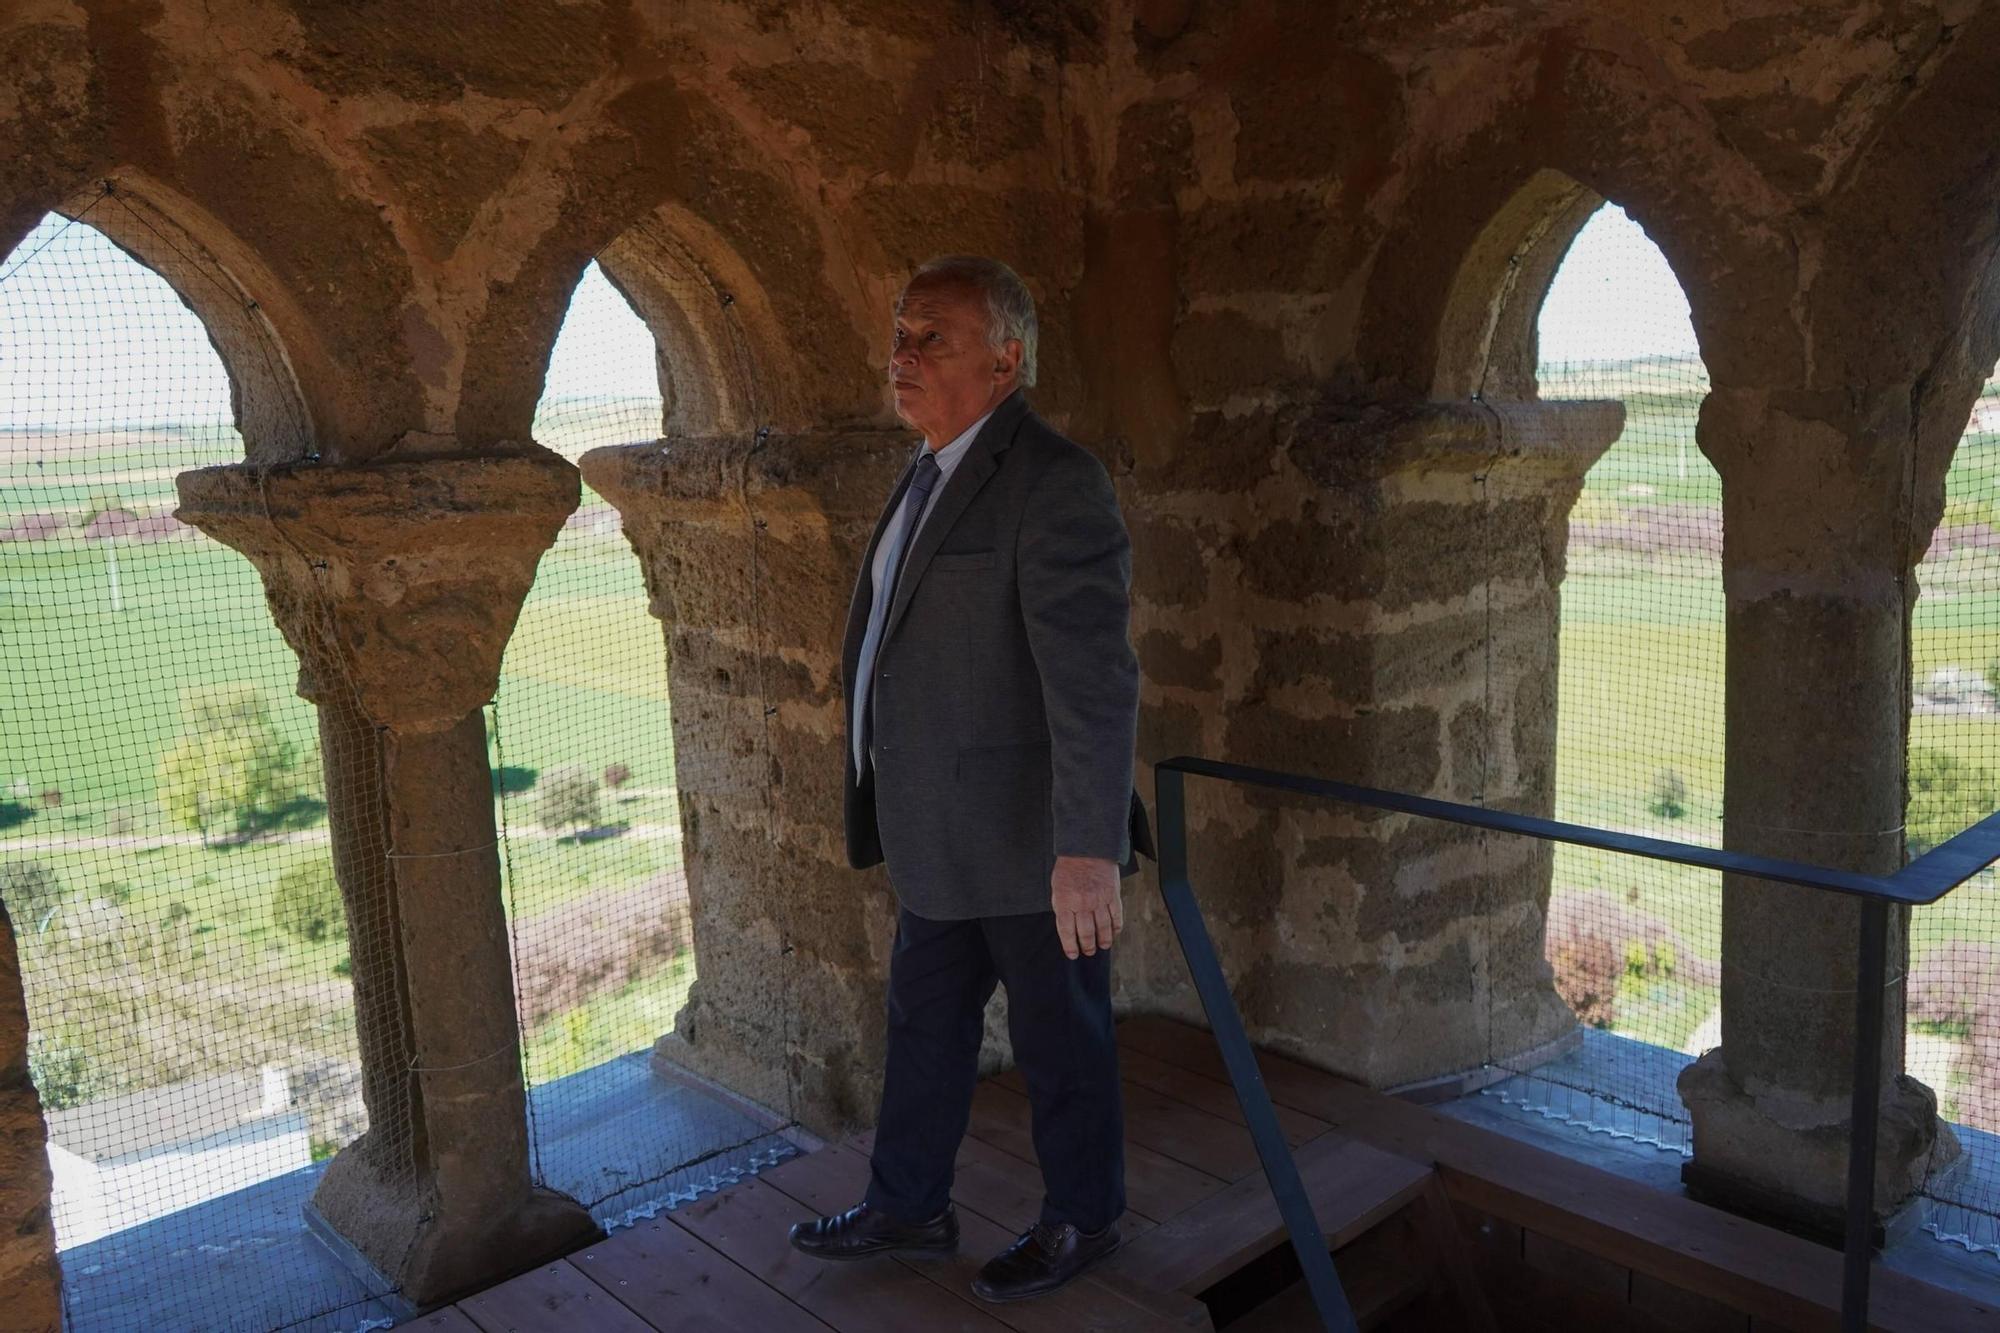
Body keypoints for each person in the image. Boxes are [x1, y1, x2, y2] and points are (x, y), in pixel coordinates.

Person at [787, 255, 1154, 1302]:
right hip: (937, 835)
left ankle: (1084, 1218)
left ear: (1004, 358)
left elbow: (1092, 682)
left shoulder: (1051, 480)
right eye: (898, 333)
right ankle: (909, 1205)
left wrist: (1087, 848)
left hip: (1036, 848)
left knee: (1061, 1049)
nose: (900, 356)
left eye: (929, 337)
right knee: (923, 1029)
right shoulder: (925, 470)